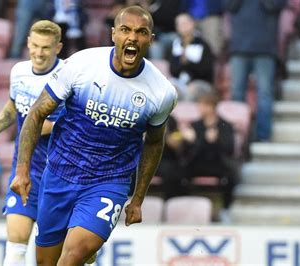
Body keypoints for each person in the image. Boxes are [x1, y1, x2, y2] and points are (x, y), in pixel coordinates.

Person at [10, 6, 177, 265]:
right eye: (126, 30)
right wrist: (22, 170)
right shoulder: (82, 65)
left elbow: (154, 142)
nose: (132, 38)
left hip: (109, 181)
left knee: (73, 255)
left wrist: (138, 199)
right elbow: (36, 113)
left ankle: (87, 242)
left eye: (141, 32)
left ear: (151, 40)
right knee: (46, 262)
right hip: (59, 174)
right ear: (113, 34)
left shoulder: (161, 92)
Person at [0, 20, 69, 265]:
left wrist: (30, 124)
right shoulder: (19, 71)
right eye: (35, 45)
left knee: (58, 255)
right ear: (28, 42)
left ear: (58, 47)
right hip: (25, 170)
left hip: (59, 174)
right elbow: (14, 105)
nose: (38, 52)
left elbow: (58, 124)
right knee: (16, 244)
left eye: (46, 48)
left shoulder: (68, 77)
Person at [223, 0, 286, 141]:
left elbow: (275, 5)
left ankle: (263, 135)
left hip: (265, 47)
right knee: (236, 93)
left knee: (264, 93)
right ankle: (237, 138)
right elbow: (228, 6)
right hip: (239, 46)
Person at [182, 89, 238, 223]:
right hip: (198, 162)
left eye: (202, 105)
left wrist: (216, 141)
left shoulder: (225, 126)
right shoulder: (194, 125)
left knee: (232, 175)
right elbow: (187, 151)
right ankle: (183, 209)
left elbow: (229, 149)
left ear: (212, 107)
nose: (199, 108)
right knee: (178, 173)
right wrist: (193, 141)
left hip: (218, 163)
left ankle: (226, 210)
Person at [167, 13, 215, 95]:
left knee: (192, 90)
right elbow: (173, 70)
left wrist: (188, 63)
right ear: (177, 28)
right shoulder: (175, 45)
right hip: (180, 82)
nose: (184, 27)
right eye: (181, 24)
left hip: (200, 82)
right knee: (170, 89)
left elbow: (206, 71)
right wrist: (181, 63)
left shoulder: (203, 45)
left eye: (186, 23)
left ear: (193, 23)